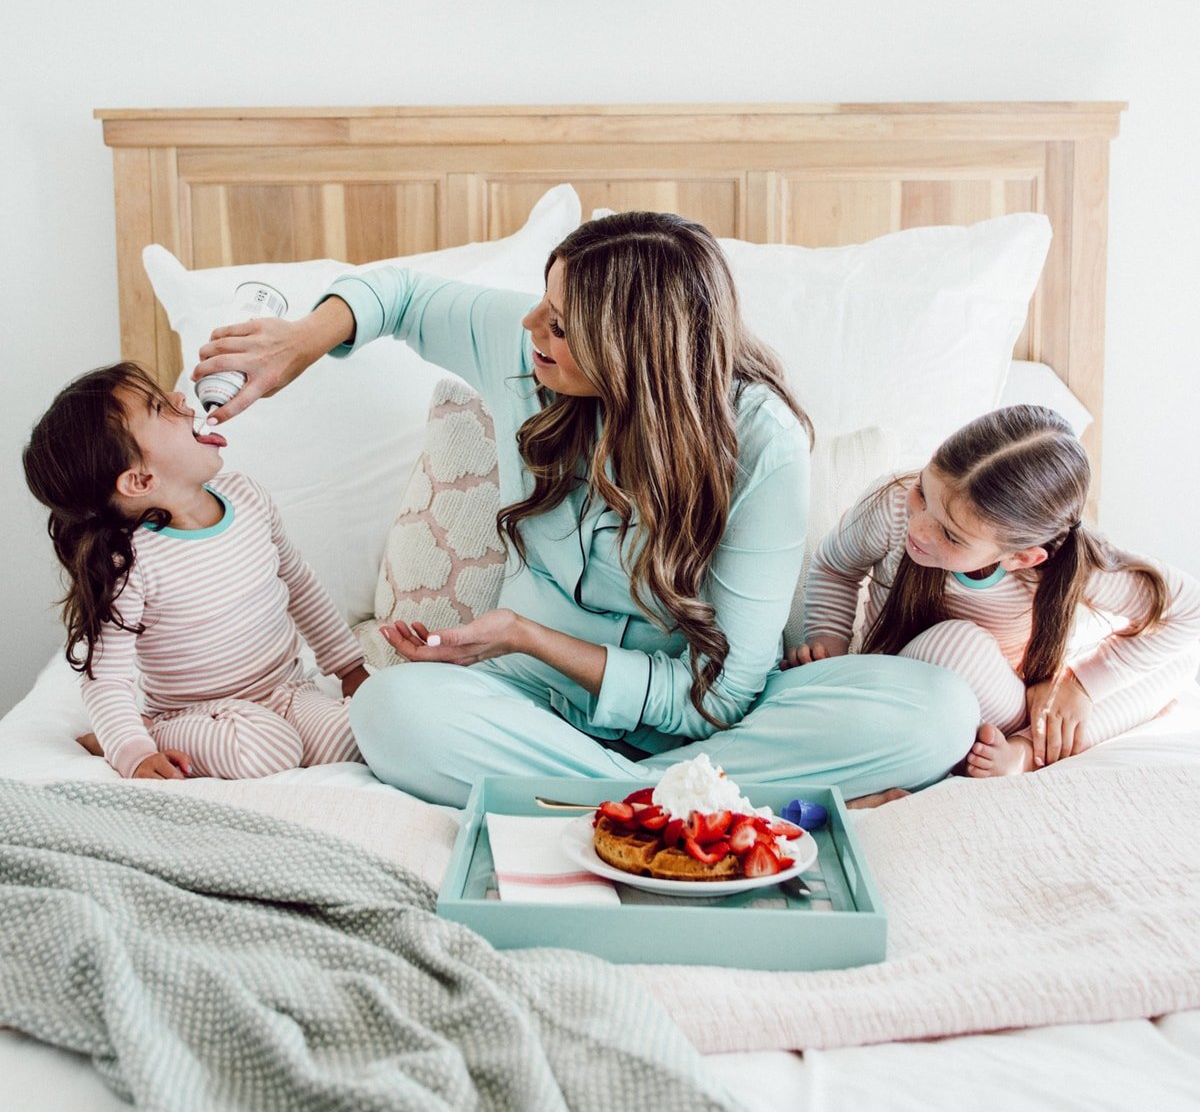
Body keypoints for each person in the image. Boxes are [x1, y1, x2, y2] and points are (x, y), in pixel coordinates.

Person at [195, 213, 979, 805]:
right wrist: (301, 339)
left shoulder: (762, 443)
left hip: (715, 724)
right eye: (545, 303)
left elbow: (723, 693)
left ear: (636, 349)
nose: (530, 327)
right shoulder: (529, 352)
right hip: (531, 705)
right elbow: (397, 294)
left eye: (561, 324)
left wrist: (525, 633)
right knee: (393, 709)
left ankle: (596, 801)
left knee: (939, 710)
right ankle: (684, 803)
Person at [789, 405, 1200, 776]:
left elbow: (1188, 609)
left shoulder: (1066, 565)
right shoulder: (894, 502)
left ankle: (1025, 750)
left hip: (1000, 699)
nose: (919, 527)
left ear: (1021, 557)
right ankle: (1023, 741)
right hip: (902, 680)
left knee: (1180, 663)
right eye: (923, 493)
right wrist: (830, 648)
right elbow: (836, 566)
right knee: (956, 646)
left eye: (951, 535)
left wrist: (1079, 685)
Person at [23, 363, 369, 780]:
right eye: (158, 406)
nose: (180, 397)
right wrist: (133, 752)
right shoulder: (128, 563)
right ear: (140, 480)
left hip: (288, 690)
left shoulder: (247, 496)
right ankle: (149, 730)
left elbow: (299, 583)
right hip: (196, 713)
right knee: (267, 751)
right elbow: (106, 679)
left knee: (357, 738)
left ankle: (294, 726)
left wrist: (349, 667)